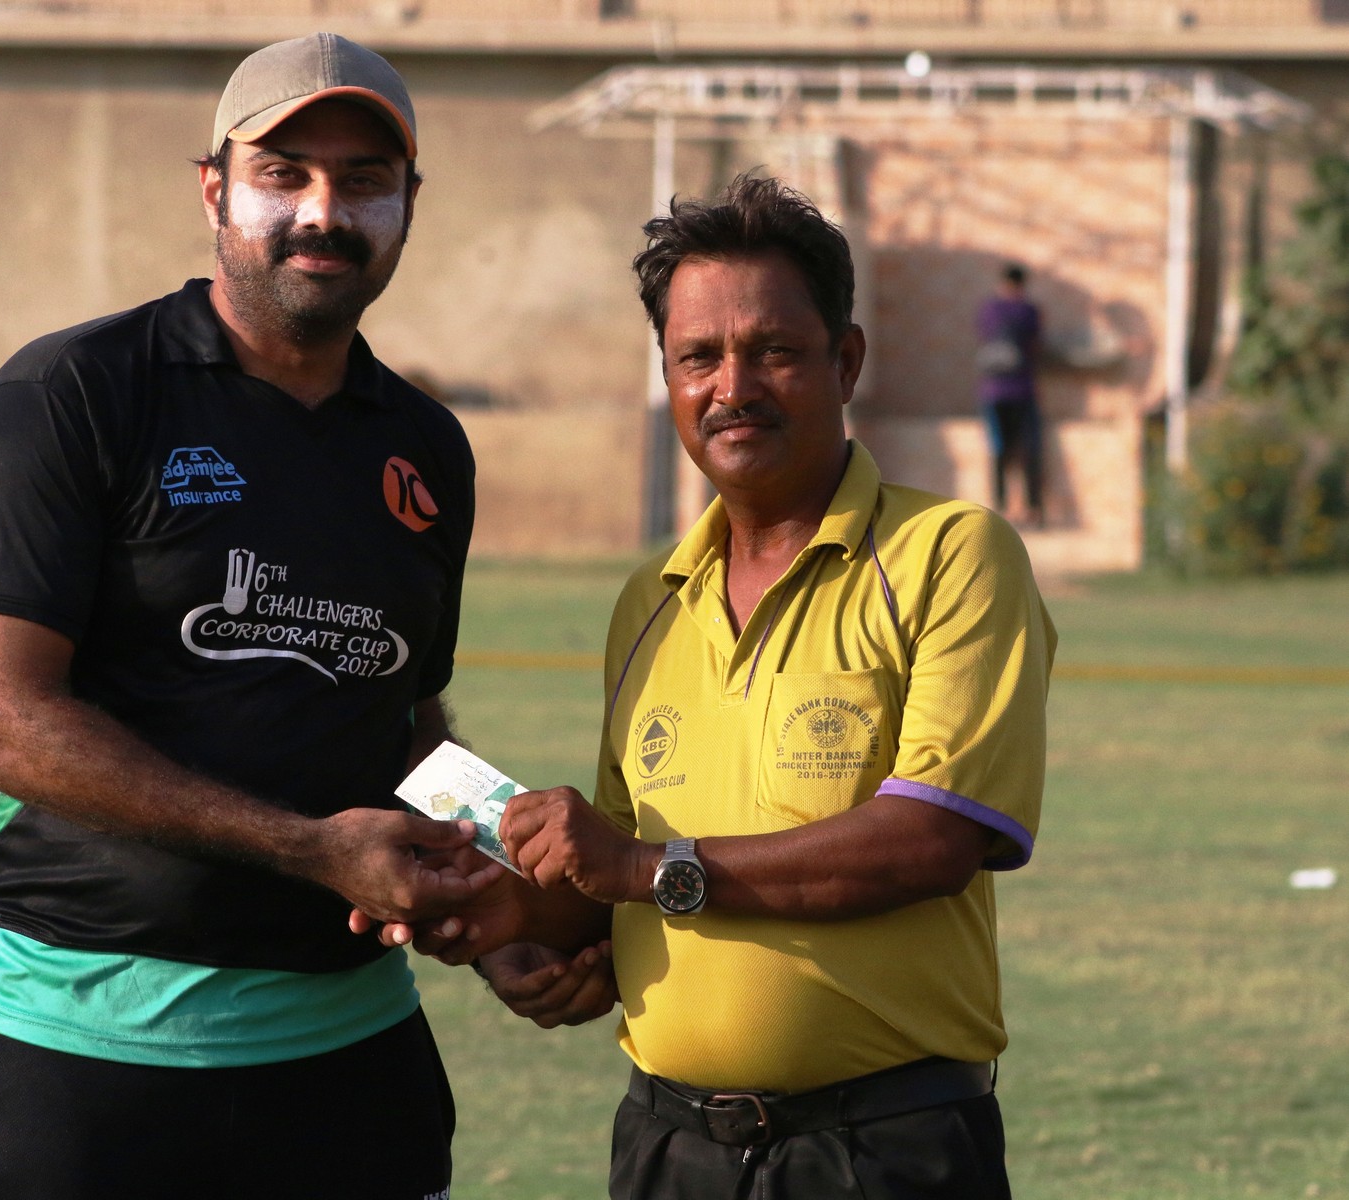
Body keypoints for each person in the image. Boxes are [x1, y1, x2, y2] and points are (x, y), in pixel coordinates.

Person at [0, 33, 500, 1200]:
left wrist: (501, 900)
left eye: (363, 181)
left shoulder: (425, 446)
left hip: (348, 1071)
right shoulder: (73, 395)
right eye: (284, 174)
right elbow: (0, 723)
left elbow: (408, 723)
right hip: (76, 1060)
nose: (322, 213)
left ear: (408, 205)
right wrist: (315, 852)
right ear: (215, 189)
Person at [382, 175, 1056, 1199]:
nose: (731, 387)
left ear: (845, 361)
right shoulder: (648, 599)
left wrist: (643, 867)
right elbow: (615, 878)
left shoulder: (949, 551)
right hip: (667, 1148)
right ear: (668, 376)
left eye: (772, 350)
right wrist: (506, 922)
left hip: (882, 1149)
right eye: (697, 356)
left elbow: (930, 841)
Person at [976, 262, 1046, 527]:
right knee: (1029, 450)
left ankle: (1002, 506)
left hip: (994, 393)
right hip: (1022, 391)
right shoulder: (1028, 311)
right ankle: (1032, 508)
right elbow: (1035, 344)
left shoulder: (989, 310)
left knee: (1000, 451)